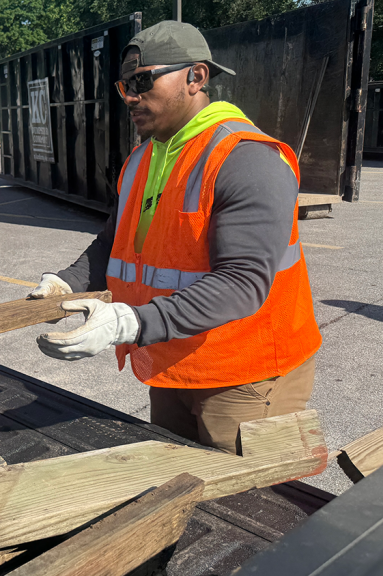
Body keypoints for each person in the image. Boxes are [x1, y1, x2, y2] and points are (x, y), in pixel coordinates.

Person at [29, 21, 321, 454]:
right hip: (171, 360)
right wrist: (66, 281)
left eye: (142, 81)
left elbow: (243, 284)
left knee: (249, 509)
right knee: (179, 492)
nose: (130, 95)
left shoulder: (245, 157)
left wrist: (130, 322)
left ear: (196, 77)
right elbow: (115, 243)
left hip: (245, 374)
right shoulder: (144, 158)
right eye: (124, 84)